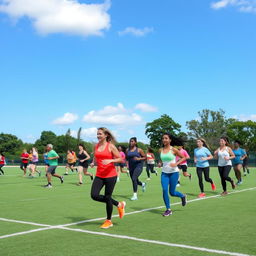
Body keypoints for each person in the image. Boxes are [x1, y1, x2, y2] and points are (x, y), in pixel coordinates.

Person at [90, 127, 126, 229]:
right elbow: (96, 156)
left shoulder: (111, 146)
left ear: (106, 135)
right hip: (99, 175)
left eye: (100, 134)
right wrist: (93, 162)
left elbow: (121, 158)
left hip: (110, 175)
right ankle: (119, 204)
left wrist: (110, 161)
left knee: (107, 196)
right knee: (94, 195)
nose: (98, 136)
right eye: (97, 134)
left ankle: (109, 221)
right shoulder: (96, 146)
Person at [158, 133, 187, 217]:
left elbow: (184, 157)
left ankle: (182, 196)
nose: (164, 140)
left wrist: (176, 163)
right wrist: (159, 163)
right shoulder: (160, 150)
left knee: (172, 192)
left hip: (174, 173)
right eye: (163, 138)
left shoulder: (173, 149)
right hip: (164, 173)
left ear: (170, 140)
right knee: (164, 189)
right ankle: (168, 209)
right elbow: (160, 160)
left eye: (166, 138)